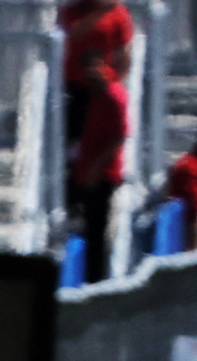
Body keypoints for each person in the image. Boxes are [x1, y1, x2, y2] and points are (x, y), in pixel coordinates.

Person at [61, 0, 132, 274]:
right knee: (71, 147)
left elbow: (123, 53)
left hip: (101, 171)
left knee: (98, 226)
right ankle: (72, 201)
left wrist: (112, 82)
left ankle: (98, 281)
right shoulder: (73, 11)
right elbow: (72, 36)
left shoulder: (118, 14)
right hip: (75, 90)